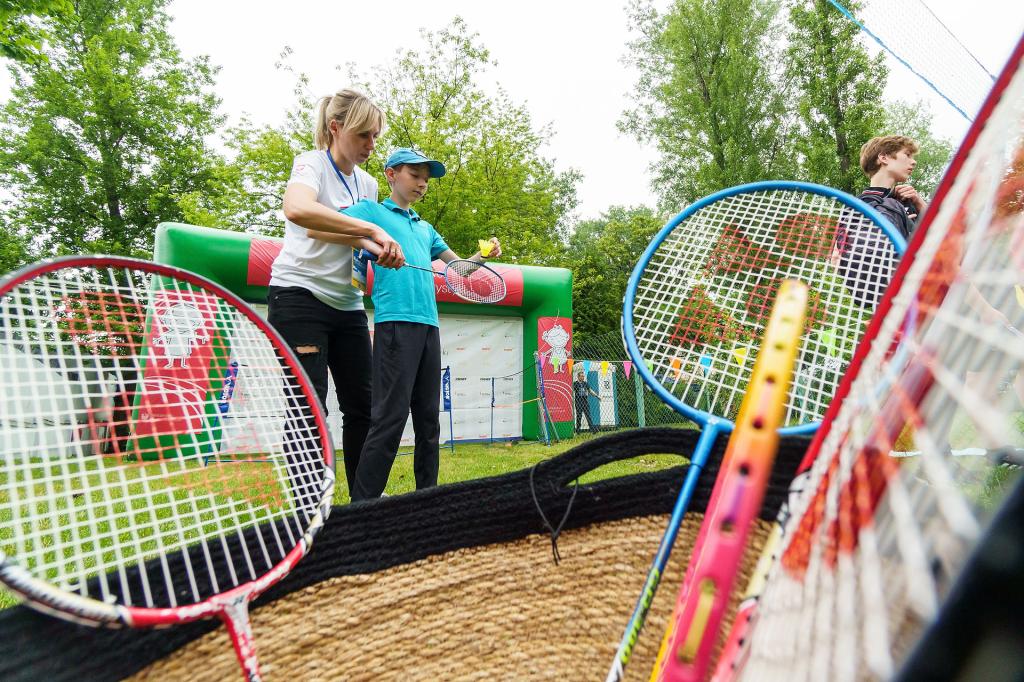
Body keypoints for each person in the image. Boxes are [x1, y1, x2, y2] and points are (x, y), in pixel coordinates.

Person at [336, 148, 501, 501]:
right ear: (391, 174)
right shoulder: (372, 212)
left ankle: (427, 501)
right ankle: (363, 506)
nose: (423, 183)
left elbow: (459, 270)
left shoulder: (425, 228)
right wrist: (370, 245)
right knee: (390, 418)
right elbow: (333, 225)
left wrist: (482, 256)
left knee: (429, 420)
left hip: (429, 328)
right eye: (415, 175)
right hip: (396, 325)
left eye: (426, 179)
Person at [267, 89, 406, 493]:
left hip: (347, 305)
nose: (371, 145)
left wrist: (378, 248)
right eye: (363, 135)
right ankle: (312, 509)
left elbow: (341, 234)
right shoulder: (311, 164)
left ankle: (365, 504)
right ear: (335, 128)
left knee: (365, 407)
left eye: (375, 136)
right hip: (298, 297)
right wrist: (371, 229)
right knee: (308, 409)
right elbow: (299, 211)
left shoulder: (367, 183)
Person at [857, 135, 929, 240]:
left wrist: (919, 202)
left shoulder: (908, 200)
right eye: (907, 155)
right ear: (883, 158)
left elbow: (943, 232)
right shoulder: (858, 205)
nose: (914, 162)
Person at [572, 368, 599, 433]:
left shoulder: (585, 383)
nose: (583, 377)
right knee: (579, 416)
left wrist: (597, 396)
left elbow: (590, 390)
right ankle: (578, 430)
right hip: (578, 402)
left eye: (583, 376)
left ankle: (592, 430)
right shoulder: (575, 383)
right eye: (581, 376)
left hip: (585, 401)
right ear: (578, 377)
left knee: (588, 415)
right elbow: (572, 391)